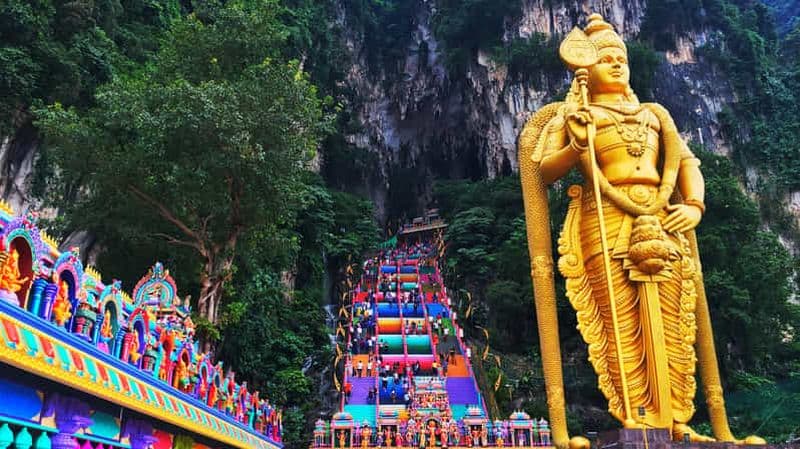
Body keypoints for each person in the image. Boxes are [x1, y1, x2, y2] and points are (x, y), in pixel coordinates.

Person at [520, 12, 763, 445]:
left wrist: (694, 205)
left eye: (622, 57)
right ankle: (636, 413)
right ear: (585, 69)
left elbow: (687, 164)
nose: (616, 64)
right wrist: (577, 142)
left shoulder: (655, 115)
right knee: (618, 321)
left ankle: (679, 420)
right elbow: (542, 170)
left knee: (676, 319)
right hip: (605, 218)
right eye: (605, 58)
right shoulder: (578, 114)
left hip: (662, 216)